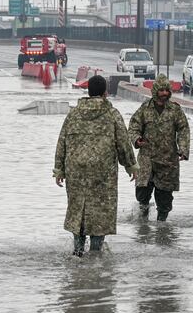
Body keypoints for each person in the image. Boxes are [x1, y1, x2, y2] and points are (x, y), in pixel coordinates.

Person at [54, 75, 139, 256]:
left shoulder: (74, 114)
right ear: (105, 93)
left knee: (78, 209)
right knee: (100, 212)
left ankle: (77, 252)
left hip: (75, 172)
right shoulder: (111, 114)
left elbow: (62, 141)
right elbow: (123, 142)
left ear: (88, 90)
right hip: (103, 174)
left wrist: (59, 169)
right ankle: (95, 254)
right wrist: (131, 166)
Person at [128, 74, 190, 222]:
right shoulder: (144, 109)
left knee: (164, 199)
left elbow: (183, 130)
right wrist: (137, 139)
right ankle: (143, 226)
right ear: (155, 91)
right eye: (161, 90)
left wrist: (183, 148)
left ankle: (161, 227)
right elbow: (133, 127)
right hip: (146, 159)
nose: (164, 93)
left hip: (167, 161)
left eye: (167, 90)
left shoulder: (175, 110)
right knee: (142, 194)